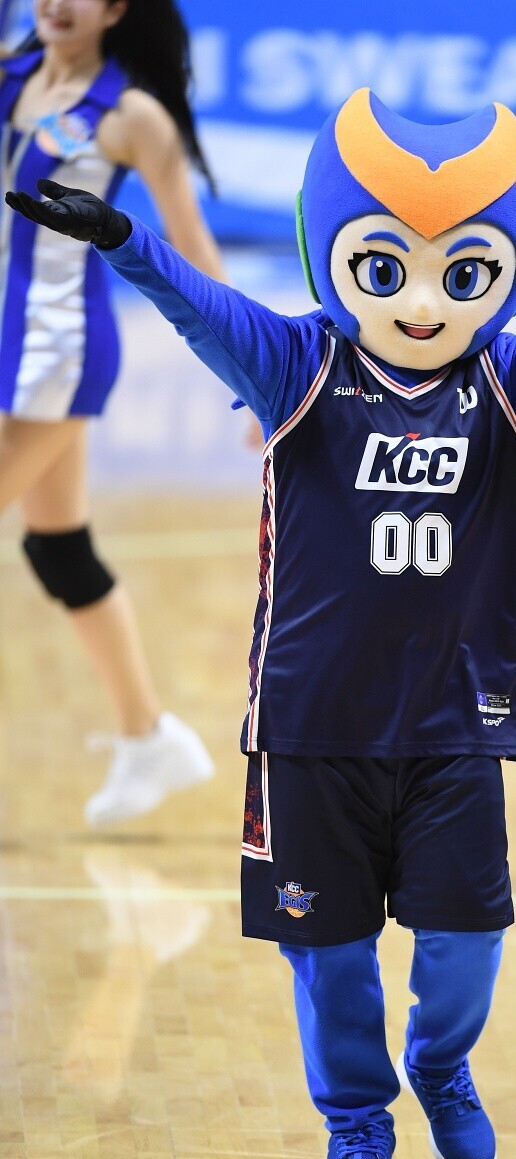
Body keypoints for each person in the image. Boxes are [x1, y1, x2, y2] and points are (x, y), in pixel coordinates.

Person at [6, 88, 516, 1159]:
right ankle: (356, 1122)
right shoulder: (295, 365)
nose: (421, 301)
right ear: (334, 252)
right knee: (330, 954)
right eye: (387, 266)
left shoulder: (509, 383)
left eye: (462, 272)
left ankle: (440, 1065)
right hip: (312, 723)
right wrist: (123, 239)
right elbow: (202, 309)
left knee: (467, 941)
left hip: (456, 722)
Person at [0, 0, 227, 825]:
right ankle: (149, 737)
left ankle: (149, 736)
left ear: (117, 9)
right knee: (59, 549)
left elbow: (192, 246)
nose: (57, 4)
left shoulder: (133, 118)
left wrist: (255, 374)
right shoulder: (13, 74)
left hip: (61, 353)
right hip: (9, 337)